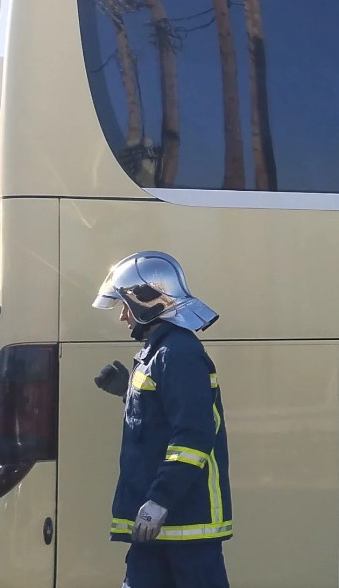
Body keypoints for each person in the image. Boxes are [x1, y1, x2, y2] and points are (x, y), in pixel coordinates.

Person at [92, 250, 232, 588]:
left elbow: (194, 436)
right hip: (159, 525)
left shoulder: (178, 353)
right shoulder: (159, 351)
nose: (124, 317)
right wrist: (129, 395)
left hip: (182, 522)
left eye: (126, 306)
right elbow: (163, 421)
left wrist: (160, 500)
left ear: (146, 303)